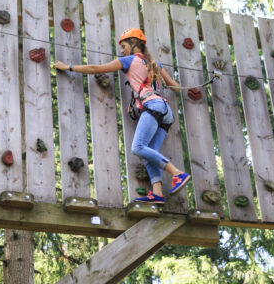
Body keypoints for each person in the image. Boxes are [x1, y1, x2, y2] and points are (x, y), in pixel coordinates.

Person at [53, 28, 191, 205]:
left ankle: (177, 173)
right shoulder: (154, 63)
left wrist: (69, 67)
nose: (122, 50)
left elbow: (96, 68)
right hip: (165, 112)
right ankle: (157, 193)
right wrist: (192, 88)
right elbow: (174, 86)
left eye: (124, 46)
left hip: (153, 106)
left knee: (138, 147)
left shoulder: (129, 60)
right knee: (149, 153)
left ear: (134, 44)